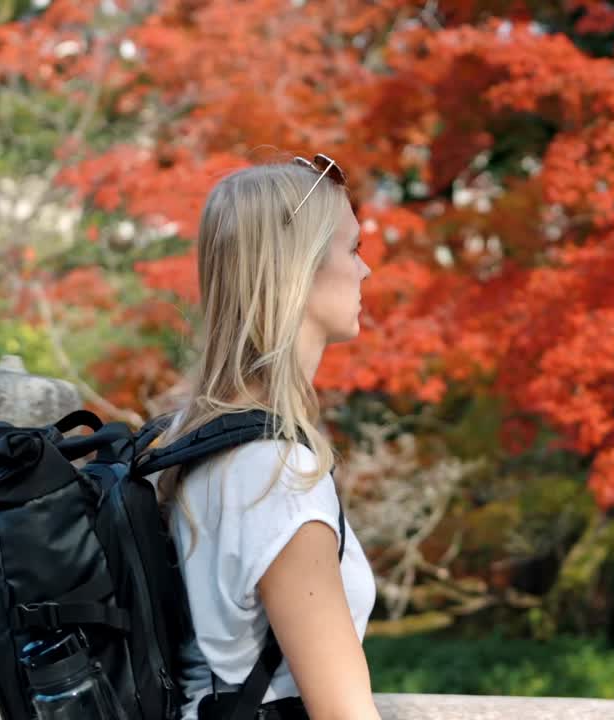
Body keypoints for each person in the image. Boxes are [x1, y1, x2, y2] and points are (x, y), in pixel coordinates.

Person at [148, 154, 379, 720]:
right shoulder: (277, 475)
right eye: (351, 250)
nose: (366, 271)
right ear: (299, 269)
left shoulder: (185, 437)